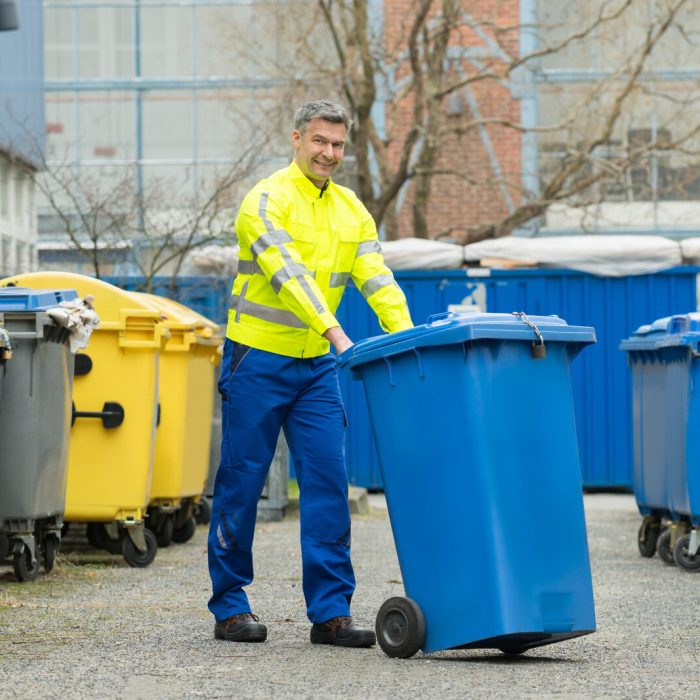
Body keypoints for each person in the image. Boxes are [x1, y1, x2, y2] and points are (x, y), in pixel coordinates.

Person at [208, 99, 413, 647]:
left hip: (316, 369)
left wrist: (407, 340)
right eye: (319, 141)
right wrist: (335, 331)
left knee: (327, 482)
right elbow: (289, 276)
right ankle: (230, 606)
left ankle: (330, 613)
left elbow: (377, 279)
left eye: (338, 145)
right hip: (257, 360)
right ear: (296, 138)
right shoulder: (265, 201)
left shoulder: (352, 210)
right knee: (242, 483)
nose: (329, 153)